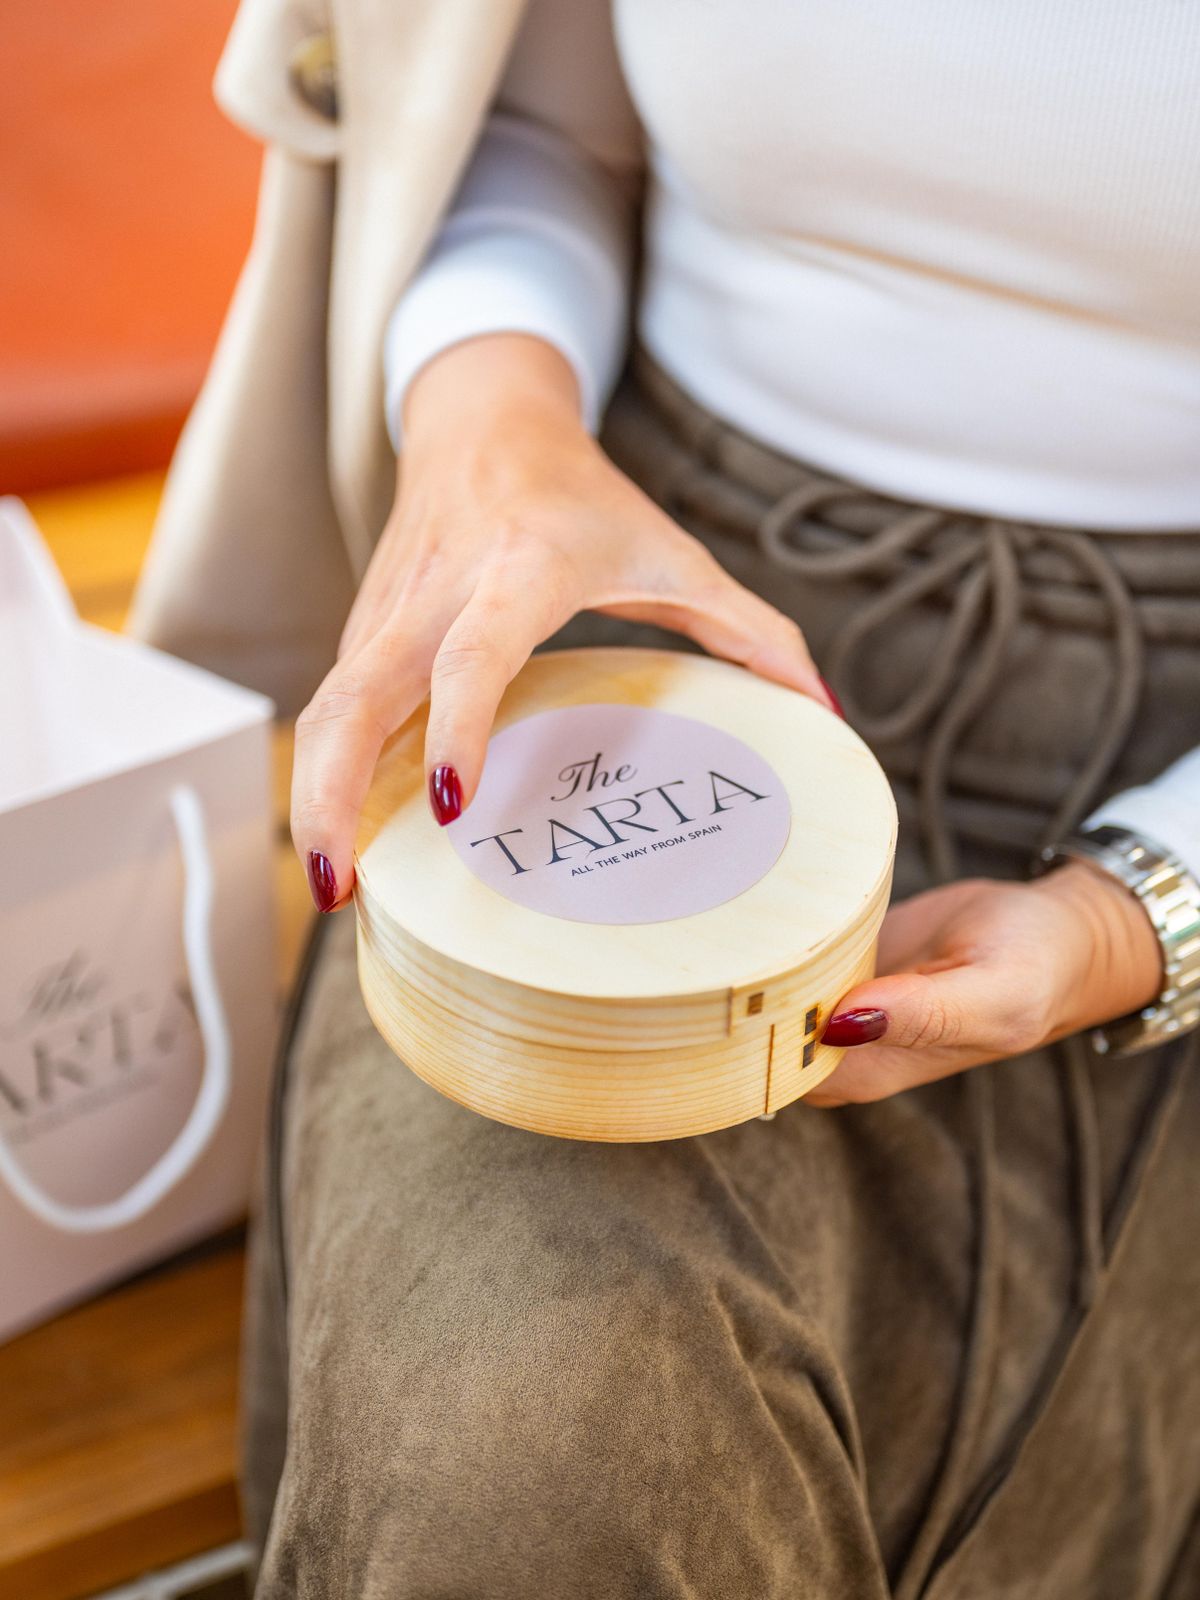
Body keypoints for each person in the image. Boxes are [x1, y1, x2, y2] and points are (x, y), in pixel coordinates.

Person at [227, 3, 1200, 1595]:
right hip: (628, 604)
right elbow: (537, 134)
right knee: (519, 1449)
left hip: (1169, 755)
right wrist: (490, 420)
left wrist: (1143, 912)